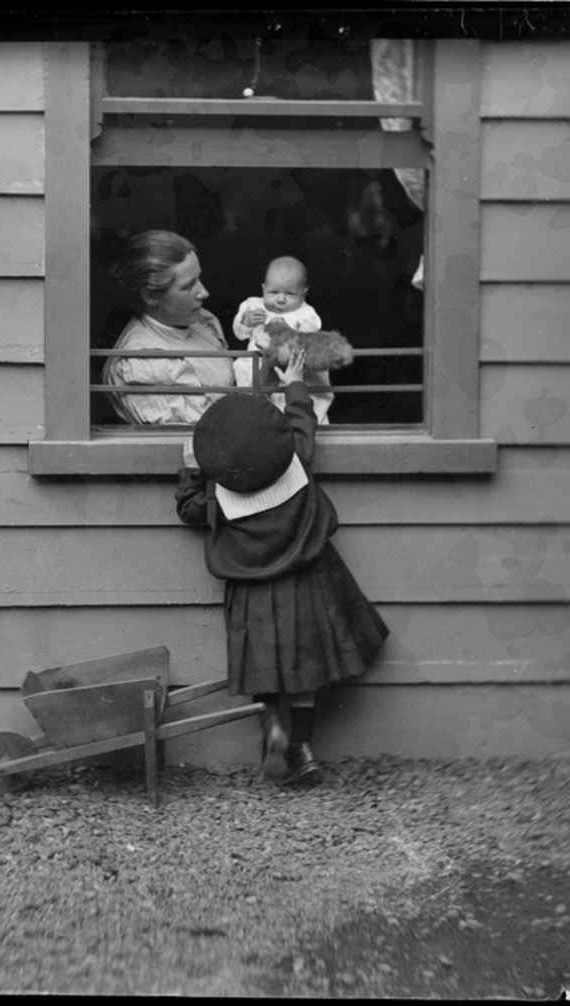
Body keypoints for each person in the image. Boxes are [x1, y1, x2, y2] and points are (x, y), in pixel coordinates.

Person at [175, 348, 389, 786]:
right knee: (305, 668)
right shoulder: (294, 465)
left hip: (252, 596)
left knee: (266, 669)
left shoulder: (220, 498)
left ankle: (274, 728)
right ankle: (304, 749)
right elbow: (301, 428)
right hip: (305, 586)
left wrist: (191, 471)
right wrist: (294, 384)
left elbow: (188, 508)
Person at [103, 230, 235, 425]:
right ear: (151, 296)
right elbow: (208, 430)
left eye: (199, 278)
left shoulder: (203, 320)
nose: (204, 292)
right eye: (188, 286)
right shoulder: (142, 363)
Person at [232, 256, 334, 425]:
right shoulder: (253, 305)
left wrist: (288, 330)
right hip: (256, 367)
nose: (280, 299)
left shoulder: (305, 313)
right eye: (273, 292)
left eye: (290, 294)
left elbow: (309, 334)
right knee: (253, 405)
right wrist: (246, 320)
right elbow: (239, 334)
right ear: (263, 288)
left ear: (304, 293)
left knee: (286, 405)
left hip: (286, 371)